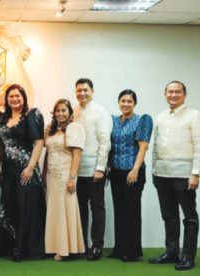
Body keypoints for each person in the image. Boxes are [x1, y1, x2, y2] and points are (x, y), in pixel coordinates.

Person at [149, 80, 200, 271]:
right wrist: (154, 170)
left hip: (184, 175)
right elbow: (155, 146)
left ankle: (188, 256)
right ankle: (171, 252)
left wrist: (196, 173)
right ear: (165, 94)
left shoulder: (194, 115)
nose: (173, 95)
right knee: (169, 216)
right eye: (170, 92)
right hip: (162, 174)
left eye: (177, 92)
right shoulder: (161, 117)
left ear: (184, 94)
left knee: (189, 217)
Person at [0, 84, 46, 261]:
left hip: (26, 170)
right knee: (10, 205)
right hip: (8, 171)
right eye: (11, 96)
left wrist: (30, 168)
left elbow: (39, 143)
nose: (15, 99)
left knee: (25, 206)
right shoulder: (1, 118)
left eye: (18, 96)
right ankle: (8, 247)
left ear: (23, 97)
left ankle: (23, 248)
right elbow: (0, 146)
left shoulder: (32, 115)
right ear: (6, 99)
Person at [107, 89, 153, 262]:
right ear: (118, 102)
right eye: (123, 101)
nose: (125, 104)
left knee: (131, 210)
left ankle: (132, 251)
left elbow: (143, 147)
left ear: (134, 103)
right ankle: (119, 249)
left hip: (133, 171)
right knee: (119, 210)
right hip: (116, 172)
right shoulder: (113, 120)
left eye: (129, 101)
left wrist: (135, 169)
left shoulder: (142, 120)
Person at [73, 78, 112, 260]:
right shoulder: (74, 110)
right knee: (79, 207)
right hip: (77, 170)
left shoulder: (100, 112)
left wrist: (100, 168)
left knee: (97, 207)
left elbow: (105, 142)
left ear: (92, 91)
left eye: (85, 90)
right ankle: (82, 244)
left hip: (95, 169)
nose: (82, 93)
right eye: (79, 90)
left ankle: (97, 245)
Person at [43, 99, 86, 261]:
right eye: (57, 111)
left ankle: (66, 248)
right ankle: (53, 245)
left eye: (63, 110)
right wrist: (44, 174)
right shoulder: (52, 130)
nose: (60, 114)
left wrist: (72, 178)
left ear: (69, 113)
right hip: (52, 175)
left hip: (65, 175)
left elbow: (77, 155)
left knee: (64, 209)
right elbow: (48, 151)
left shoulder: (75, 128)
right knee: (53, 209)